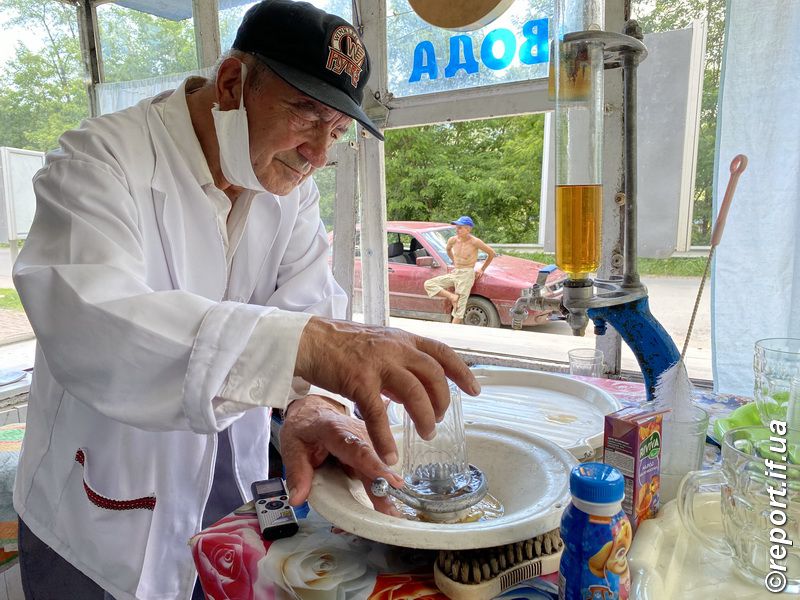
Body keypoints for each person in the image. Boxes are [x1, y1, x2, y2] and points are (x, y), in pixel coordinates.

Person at [11, 2, 479, 599]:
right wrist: (307, 346)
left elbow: (308, 306)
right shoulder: (99, 162)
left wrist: (308, 405)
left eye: (335, 131)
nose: (318, 153)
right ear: (232, 84)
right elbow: (92, 324)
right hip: (98, 518)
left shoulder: (288, 187)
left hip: (237, 484)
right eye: (307, 114)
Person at [423, 216, 496, 324]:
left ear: (468, 229)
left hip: (467, 274)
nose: (457, 230)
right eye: (457, 227)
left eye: (460, 228)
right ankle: (452, 297)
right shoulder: (453, 240)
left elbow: (491, 253)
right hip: (456, 271)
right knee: (429, 284)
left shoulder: (475, 242)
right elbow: (448, 249)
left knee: (458, 310)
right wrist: (454, 260)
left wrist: (482, 269)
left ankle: (452, 333)